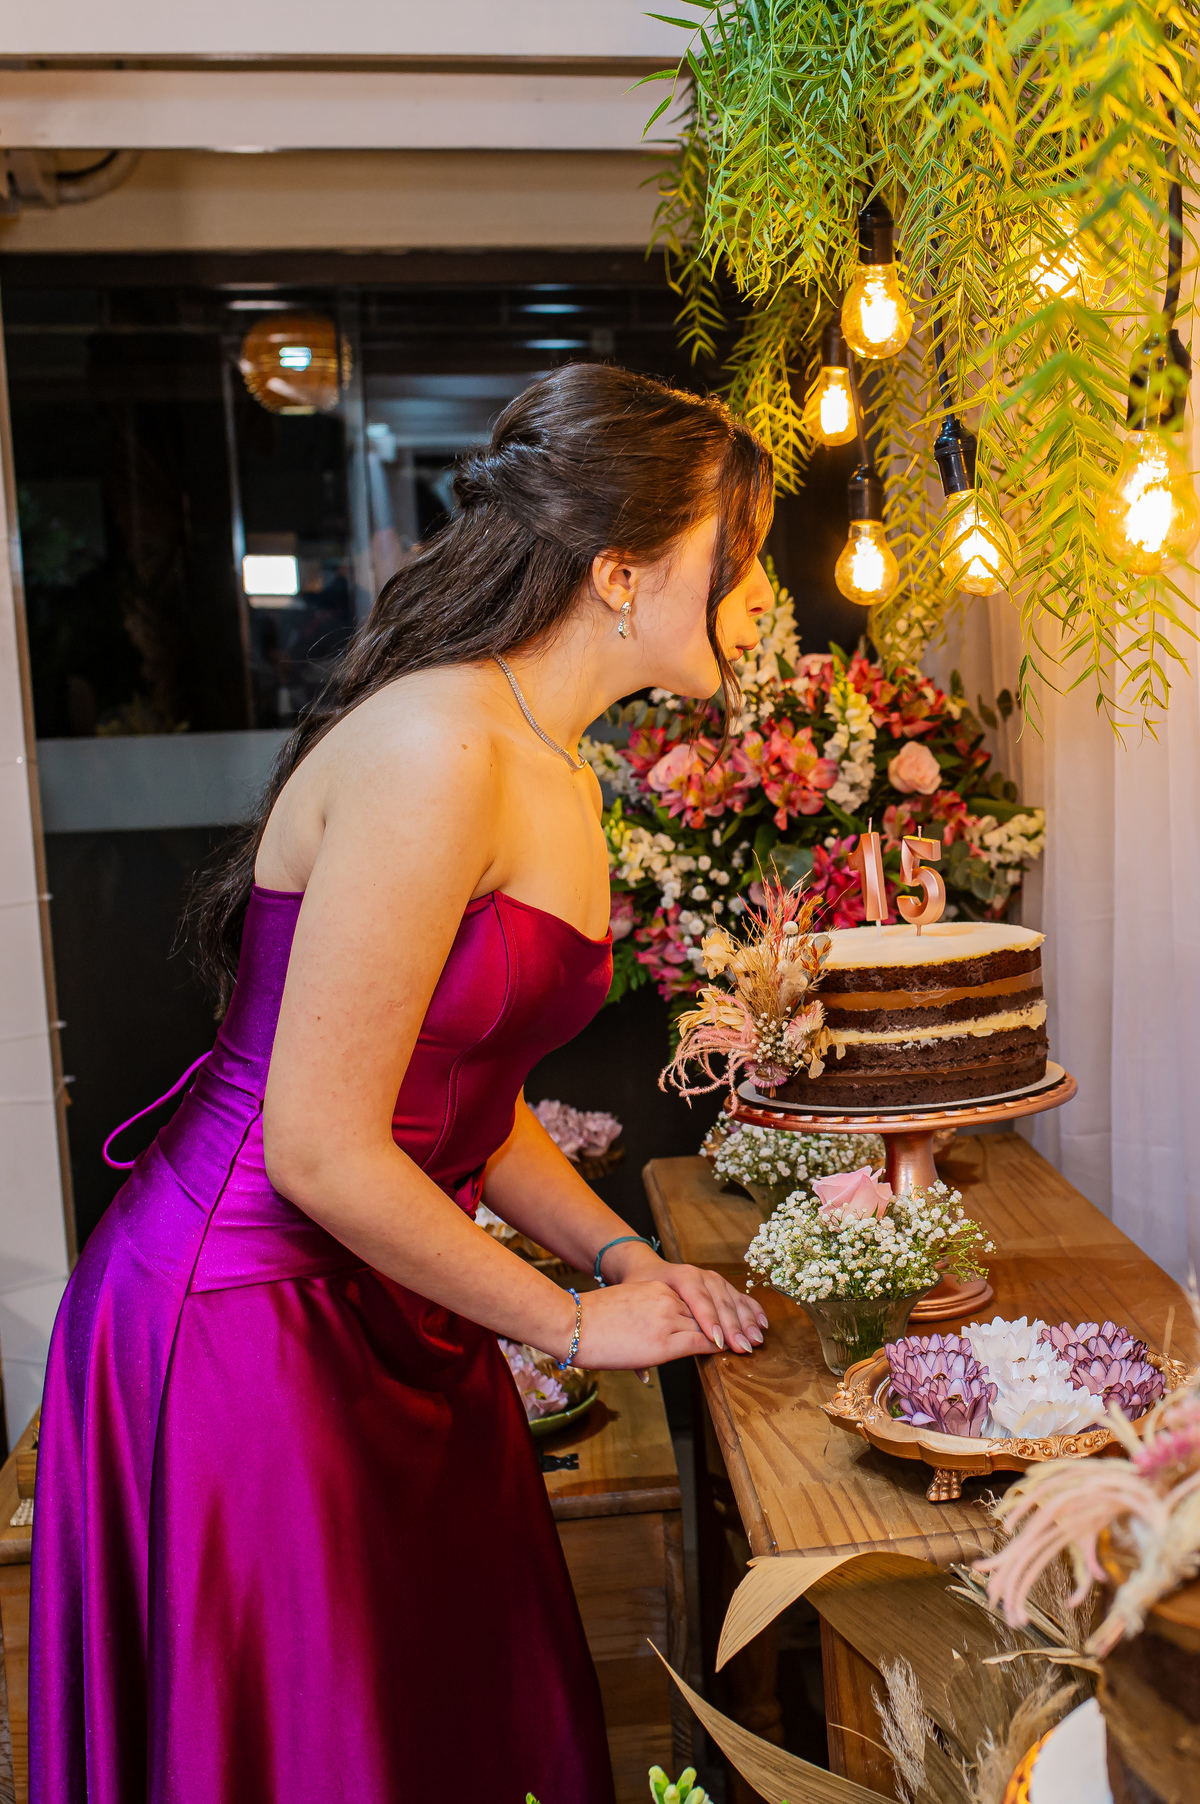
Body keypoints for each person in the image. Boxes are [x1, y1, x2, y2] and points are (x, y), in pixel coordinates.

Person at [30, 363, 775, 1802]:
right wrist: (572, 1325)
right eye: (734, 556)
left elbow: (463, 1101)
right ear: (620, 573)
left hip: (387, 1290)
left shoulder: (552, 760)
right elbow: (317, 1147)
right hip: (246, 1309)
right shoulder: (438, 748)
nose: (759, 597)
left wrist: (621, 1256)